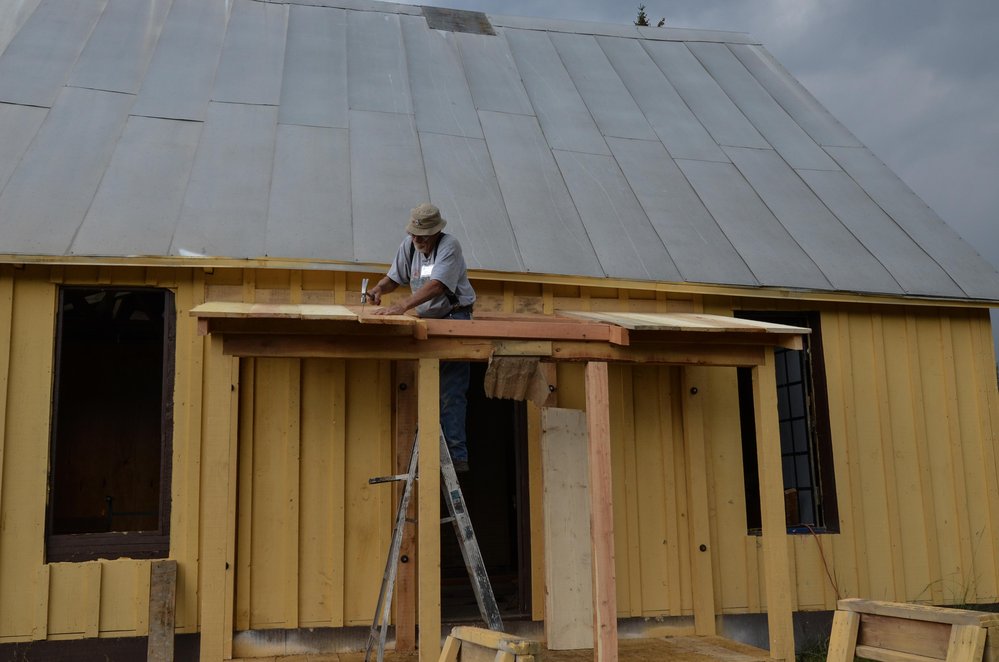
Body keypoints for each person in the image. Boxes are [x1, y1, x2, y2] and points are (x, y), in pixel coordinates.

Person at [367, 203, 476, 473]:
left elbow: (437, 285)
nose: (417, 240)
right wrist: (379, 289)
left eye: (422, 236)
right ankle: (428, 446)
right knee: (425, 384)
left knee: (451, 388)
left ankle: (455, 455)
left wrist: (401, 307)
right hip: (428, 319)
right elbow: (395, 277)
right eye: (414, 234)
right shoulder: (409, 245)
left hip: (454, 318)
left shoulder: (450, 247)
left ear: (436, 233)